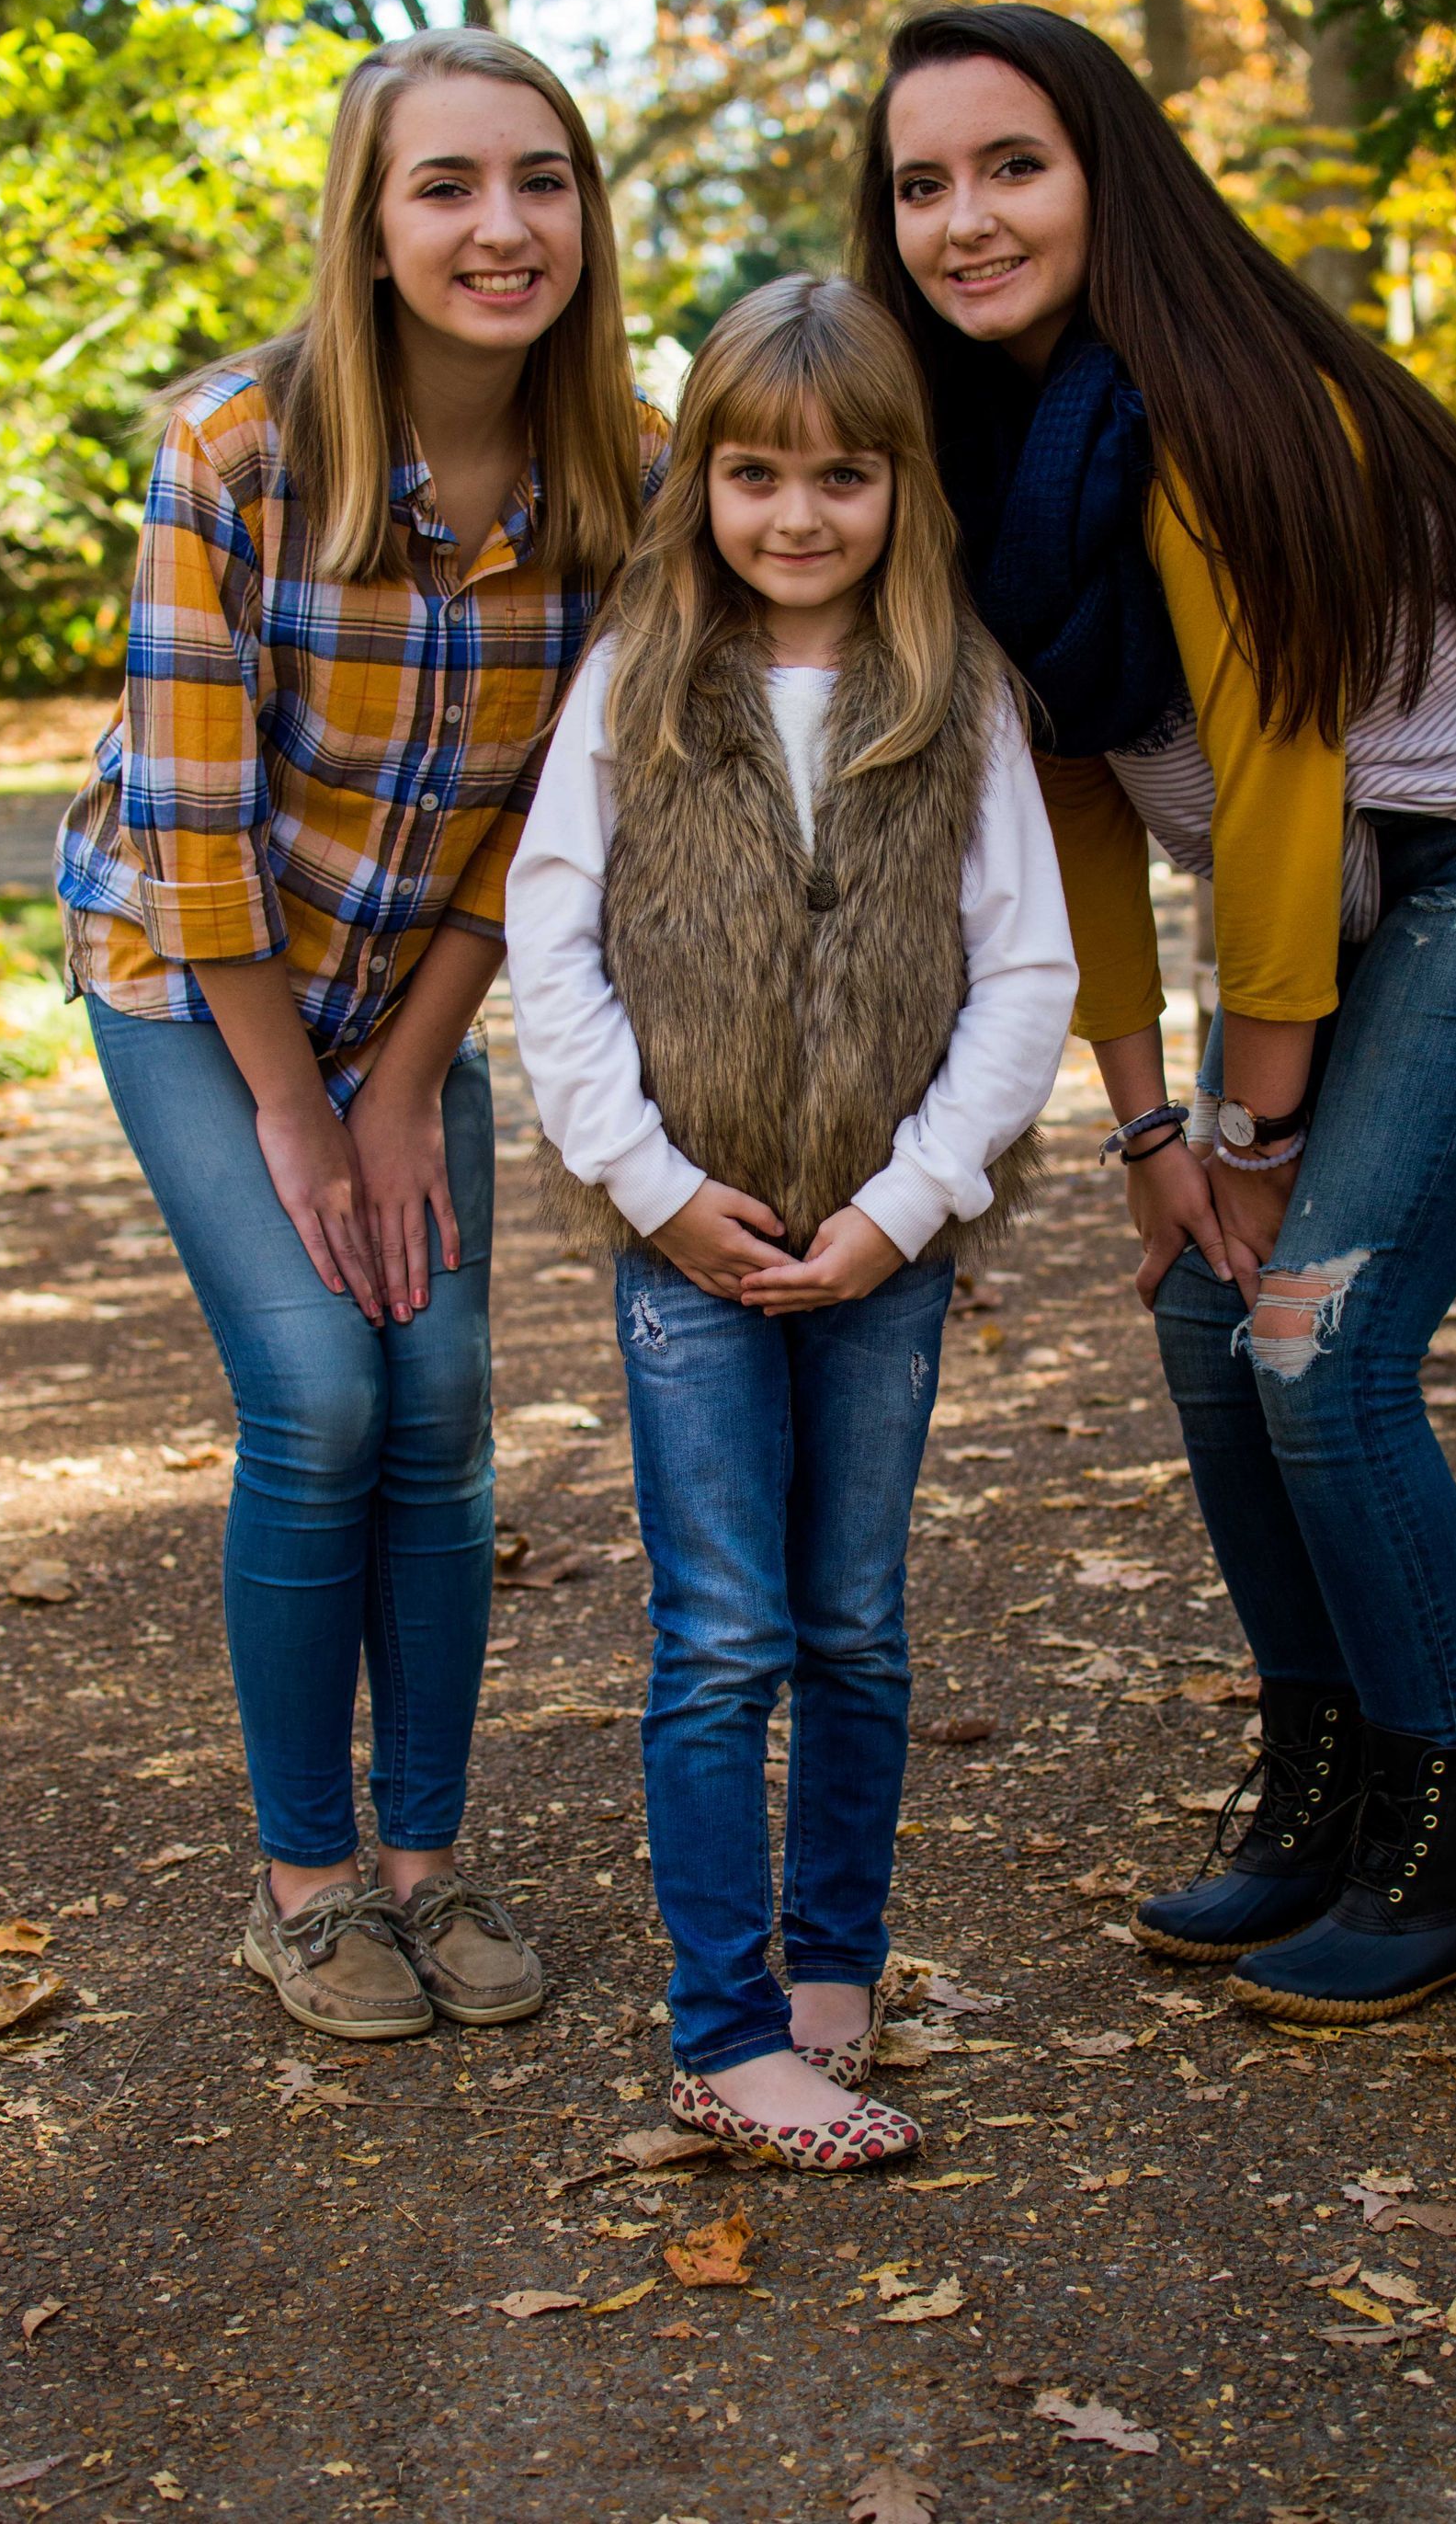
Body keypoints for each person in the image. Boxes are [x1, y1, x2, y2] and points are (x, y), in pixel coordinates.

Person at [852, 2, 1456, 2024]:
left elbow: (1289, 779)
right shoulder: (973, 456)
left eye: (1012, 166)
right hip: (1374, 869)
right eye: (922, 184)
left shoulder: (1216, 409)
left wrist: (1253, 1127)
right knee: (1200, 1306)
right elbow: (1065, 788)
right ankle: (1324, 1785)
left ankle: (1450, 1834)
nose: (966, 218)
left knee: (1318, 1338)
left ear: (1107, 172)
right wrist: (1148, 1135)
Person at [55, 28, 667, 2041]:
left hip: (411, 989)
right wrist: (300, 1124)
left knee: (446, 1394)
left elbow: (550, 825)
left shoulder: (634, 477)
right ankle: (304, 1883)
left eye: (542, 181)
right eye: (448, 186)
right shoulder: (233, 449)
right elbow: (192, 832)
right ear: (371, 223)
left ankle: (429, 1856)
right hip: (190, 971)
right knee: (323, 1387)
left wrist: (402, 1085)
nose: (504, 228)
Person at [506, 273, 1077, 2165]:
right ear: (703, 481)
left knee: (855, 1622)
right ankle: (724, 2028)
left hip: (881, 1251)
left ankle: (836, 1976)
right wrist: (656, 1192)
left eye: (842, 476)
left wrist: (912, 1205)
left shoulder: (961, 695)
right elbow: (553, 942)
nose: (799, 516)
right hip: (694, 1244)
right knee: (723, 1634)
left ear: (903, 485)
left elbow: (1027, 973)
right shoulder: (645, 678)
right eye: (755, 473)